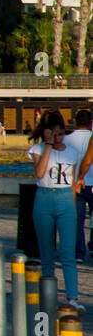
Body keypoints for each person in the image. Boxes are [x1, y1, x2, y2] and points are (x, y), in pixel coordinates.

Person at [33, 112, 83, 309]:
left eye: (61, 134)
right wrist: (47, 145)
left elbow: (73, 184)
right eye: (53, 134)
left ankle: (72, 298)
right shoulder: (37, 149)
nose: (58, 138)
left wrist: (73, 208)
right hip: (44, 197)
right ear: (46, 133)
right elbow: (39, 173)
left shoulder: (73, 152)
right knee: (46, 252)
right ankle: (48, 296)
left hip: (65, 200)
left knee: (68, 252)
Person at [66, 109, 93, 261]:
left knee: (78, 219)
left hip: (76, 183)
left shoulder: (67, 139)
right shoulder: (92, 137)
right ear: (91, 123)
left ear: (75, 122)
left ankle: (79, 252)